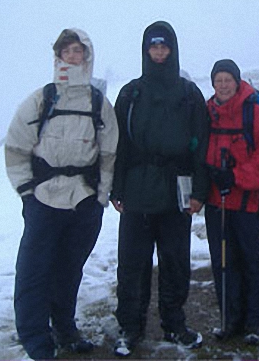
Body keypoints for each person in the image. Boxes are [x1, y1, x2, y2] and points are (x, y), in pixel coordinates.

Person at [5, 28, 119, 360]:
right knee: (33, 270)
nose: (73, 56)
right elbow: (16, 147)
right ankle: (36, 339)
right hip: (44, 198)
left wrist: (101, 196)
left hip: (84, 200)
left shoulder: (99, 104)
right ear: (58, 57)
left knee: (70, 269)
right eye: (66, 51)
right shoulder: (42, 99)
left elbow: (109, 152)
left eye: (78, 51)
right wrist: (27, 192)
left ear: (87, 55)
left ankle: (65, 329)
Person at [110, 21, 209, 357]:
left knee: (175, 261)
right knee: (132, 263)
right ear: (145, 50)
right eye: (153, 47)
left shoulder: (188, 93)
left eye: (164, 46)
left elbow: (201, 144)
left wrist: (199, 191)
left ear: (173, 49)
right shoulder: (130, 93)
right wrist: (116, 188)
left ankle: (174, 323)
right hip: (137, 189)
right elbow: (118, 144)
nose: (159, 52)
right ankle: (130, 327)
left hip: (176, 188)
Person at [205, 60, 259, 345]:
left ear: (237, 81)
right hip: (217, 204)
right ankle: (229, 319)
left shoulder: (254, 112)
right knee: (223, 263)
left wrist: (233, 176)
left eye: (227, 79)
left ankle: (255, 322)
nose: (223, 85)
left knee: (252, 262)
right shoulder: (208, 113)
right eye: (218, 80)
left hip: (248, 205)